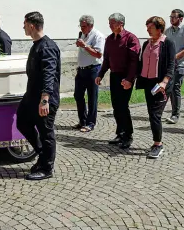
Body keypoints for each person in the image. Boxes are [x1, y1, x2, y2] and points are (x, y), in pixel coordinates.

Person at [16, 11, 61, 180]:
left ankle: (47, 168)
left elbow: (49, 75)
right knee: (21, 121)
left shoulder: (47, 47)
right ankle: (42, 155)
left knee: (46, 133)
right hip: (31, 96)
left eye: (25, 24)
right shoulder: (37, 44)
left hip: (44, 99)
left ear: (32, 26)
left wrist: (45, 100)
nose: (23, 27)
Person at [96, 13, 141, 149]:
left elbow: (134, 62)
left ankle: (128, 134)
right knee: (116, 106)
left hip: (126, 76)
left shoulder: (131, 38)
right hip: (114, 76)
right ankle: (120, 133)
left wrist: (129, 79)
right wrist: (101, 74)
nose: (110, 25)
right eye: (109, 22)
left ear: (121, 24)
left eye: (112, 23)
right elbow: (106, 60)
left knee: (123, 106)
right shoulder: (109, 39)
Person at [136, 16, 175, 158]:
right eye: (147, 27)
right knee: (151, 113)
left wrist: (164, 82)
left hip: (161, 85)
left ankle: (158, 144)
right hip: (148, 84)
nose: (147, 29)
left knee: (155, 114)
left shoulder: (168, 43)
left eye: (150, 27)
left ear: (159, 29)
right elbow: (141, 64)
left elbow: (171, 65)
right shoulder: (147, 43)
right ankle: (157, 143)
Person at [73, 15, 105, 133]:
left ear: (91, 25)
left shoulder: (98, 36)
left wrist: (85, 45)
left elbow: (98, 54)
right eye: (80, 26)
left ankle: (91, 123)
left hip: (93, 69)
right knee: (78, 95)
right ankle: (83, 120)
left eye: (84, 26)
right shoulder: (82, 34)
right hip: (81, 70)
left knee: (92, 97)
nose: (82, 28)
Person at [164, 9, 184, 124]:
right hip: (170, 64)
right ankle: (165, 111)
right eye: (170, 17)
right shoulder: (168, 31)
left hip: (182, 64)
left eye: (174, 17)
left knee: (175, 87)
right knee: (169, 88)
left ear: (181, 18)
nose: (171, 19)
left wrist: (175, 56)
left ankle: (175, 114)